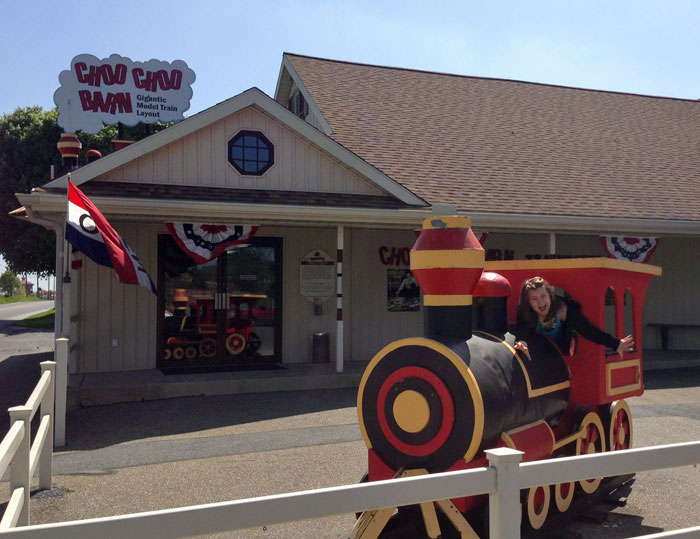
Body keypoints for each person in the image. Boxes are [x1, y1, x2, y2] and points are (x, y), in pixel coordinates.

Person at [513, 276, 634, 360]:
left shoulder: (562, 310)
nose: (540, 302)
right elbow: (523, 332)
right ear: (528, 302)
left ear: (550, 295)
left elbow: (588, 330)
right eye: (534, 299)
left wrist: (616, 344)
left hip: (559, 355)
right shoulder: (525, 312)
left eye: (543, 296)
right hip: (537, 354)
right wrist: (522, 343)